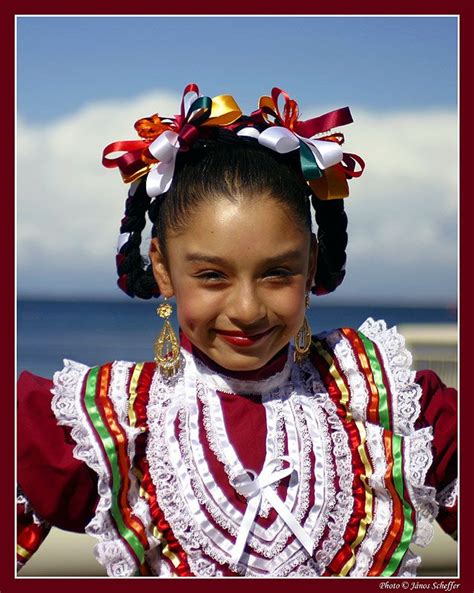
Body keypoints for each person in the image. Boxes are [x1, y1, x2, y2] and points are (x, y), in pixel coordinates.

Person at [17, 84, 457, 578]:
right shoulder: (107, 423)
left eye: (277, 274)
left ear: (311, 266)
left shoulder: (386, 403)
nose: (247, 310)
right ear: (162, 267)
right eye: (212, 275)